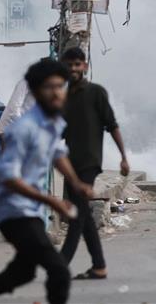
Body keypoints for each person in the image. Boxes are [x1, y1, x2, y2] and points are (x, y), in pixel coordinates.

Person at [0, 59, 94, 304]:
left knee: (21, 272)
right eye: (52, 87)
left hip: (30, 209)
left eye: (62, 86)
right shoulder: (23, 129)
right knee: (59, 271)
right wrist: (53, 201)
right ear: (37, 92)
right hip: (13, 211)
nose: (59, 93)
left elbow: (58, 155)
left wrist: (76, 183)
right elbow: (10, 179)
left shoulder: (52, 122)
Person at [59, 47, 130, 280]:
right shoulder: (63, 98)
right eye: (69, 64)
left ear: (85, 66)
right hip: (69, 165)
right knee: (84, 217)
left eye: (77, 64)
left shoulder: (96, 93)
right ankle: (99, 266)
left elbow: (112, 125)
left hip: (89, 163)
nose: (73, 69)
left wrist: (123, 157)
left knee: (77, 215)